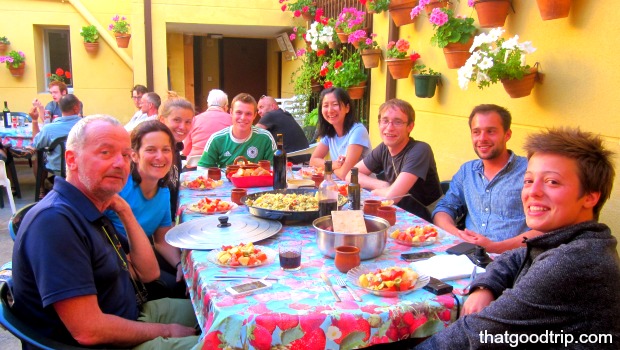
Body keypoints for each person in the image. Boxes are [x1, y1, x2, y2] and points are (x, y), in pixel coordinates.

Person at [418, 127, 620, 348]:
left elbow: (477, 334)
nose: (533, 191)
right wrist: (486, 287)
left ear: (590, 197)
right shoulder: (566, 238)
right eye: (529, 180)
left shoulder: (573, 262)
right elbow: (512, 257)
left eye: (552, 182)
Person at [11, 115, 199, 348]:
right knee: (227, 342)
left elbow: (148, 274)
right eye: (105, 153)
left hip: (133, 314)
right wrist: (167, 331)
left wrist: (125, 211)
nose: (120, 164)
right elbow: (89, 331)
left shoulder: (93, 205)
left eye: (124, 155)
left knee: (220, 313)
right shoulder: (55, 222)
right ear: (71, 159)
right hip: (109, 341)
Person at [432, 104, 532, 253]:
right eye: (476, 132)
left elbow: (546, 228)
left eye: (491, 131)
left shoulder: (530, 171)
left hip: (511, 260)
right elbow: (444, 208)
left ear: (507, 134)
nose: (482, 139)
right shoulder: (467, 171)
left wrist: (494, 248)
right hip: (468, 253)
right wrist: (457, 234)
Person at [105, 120, 185, 300]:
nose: (160, 157)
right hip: (117, 273)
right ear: (134, 155)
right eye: (151, 150)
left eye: (166, 149)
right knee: (178, 291)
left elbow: (162, 239)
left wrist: (180, 264)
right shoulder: (119, 188)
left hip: (141, 259)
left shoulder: (163, 192)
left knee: (185, 282)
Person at [349, 99, 442, 221]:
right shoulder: (384, 148)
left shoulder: (420, 150)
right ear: (379, 124)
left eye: (397, 122)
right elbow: (351, 175)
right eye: (385, 121)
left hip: (429, 217)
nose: (389, 127)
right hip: (400, 211)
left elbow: (392, 197)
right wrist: (382, 185)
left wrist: (378, 192)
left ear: (410, 126)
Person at [197, 93, 276, 169]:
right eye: (239, 112)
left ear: (255, 115)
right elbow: (202, 169)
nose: (243, 117)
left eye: (248, 114)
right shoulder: (217, 139)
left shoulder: (265, 138)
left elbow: (274, 168)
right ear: (231, 113)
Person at [309, 87, 371, 180]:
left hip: (361, 189)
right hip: (338, 186)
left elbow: (344, 174)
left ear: (347, 108)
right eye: (325, 105)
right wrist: (334, 165)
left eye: (335, 104)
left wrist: (330, 169)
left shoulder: (357, 131)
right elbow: (313, 161)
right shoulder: (329, 132)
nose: (330, 110)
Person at [158, 92, 195, 220]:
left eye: (188, 122)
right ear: (162, 120)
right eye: (176, 120)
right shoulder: (158, 154)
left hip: (168, 219)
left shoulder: (175, 148)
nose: (182, 127)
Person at [29, 94, 82, 174]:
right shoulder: (87, 126)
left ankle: (41, 186)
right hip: (81, 167)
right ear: (76, 108)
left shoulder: (49, 129)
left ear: (60, 108)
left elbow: (36, 144)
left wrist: (34, 120)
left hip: (58, 168)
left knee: (38, 156)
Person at [257, 95, 310, 164]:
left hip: (288, 161)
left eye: (261, 107)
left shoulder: (271, 115)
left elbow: (253, 133)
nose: (259, 112)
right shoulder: (285, 114)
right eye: (258, 109)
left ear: (273, 106)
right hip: (304, 159)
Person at [183, 89, 232, 159]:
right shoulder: (232, 120)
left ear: (208, 104)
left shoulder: (194, 120)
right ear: (225, 106)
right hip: (222, 164)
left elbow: (185, 151)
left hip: (195, 163)